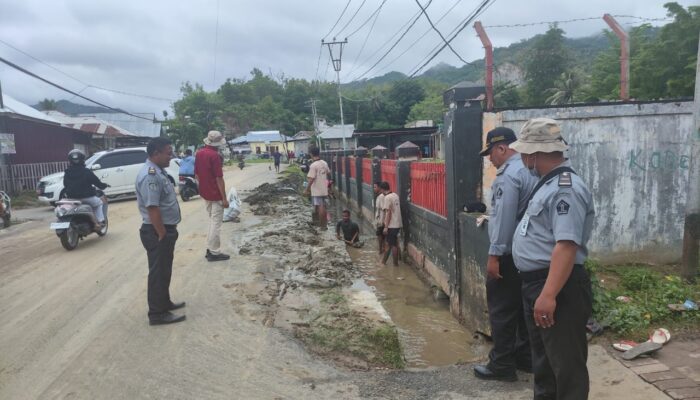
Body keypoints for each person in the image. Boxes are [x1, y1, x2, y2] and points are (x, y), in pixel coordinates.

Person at [510, 118, 594, 400]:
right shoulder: (546, 184)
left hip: (557, 285)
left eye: (523, 153)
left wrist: (548, 295)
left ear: (532, 154)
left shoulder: (564, 188)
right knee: (544, 364)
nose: (522, 158)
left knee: (566, 368)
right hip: (539, 284)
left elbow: (566, 245)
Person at [473, 127, 538, 382]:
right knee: (523, 309)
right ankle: (525, 358)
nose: (490, 159)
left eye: (491, 153)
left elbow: (504, 219)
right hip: (528, 254)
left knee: (501, 309)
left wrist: (494, 255)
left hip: (508, 255)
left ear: (502, 148)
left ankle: (502, 365)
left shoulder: (508, 175)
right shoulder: (531, 169)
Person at [135, 137, 186, 326]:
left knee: (164, 270)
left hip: (163, 230)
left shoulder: (159, 171)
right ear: (155, 153)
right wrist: (162, 233)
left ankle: (164, 303)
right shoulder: (150, 175)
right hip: (157, 231)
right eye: (168, 152)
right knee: (158, 273)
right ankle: (157, 314)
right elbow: (152, 207)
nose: (170, 156)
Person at [195, 131, 231, 262]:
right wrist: (224, 198)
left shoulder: (199, 154)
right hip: (215, 194)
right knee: (216, 223)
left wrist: (203, 188)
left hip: (205, 193)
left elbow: (197, 175)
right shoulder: (215, 156)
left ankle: (210, 248)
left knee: (212, 221)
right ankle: (214, 252)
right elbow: (219, 178)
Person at [63, 149, 108, 225]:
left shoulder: (67, 172)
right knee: (99, 203)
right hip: (87, 198)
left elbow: (65, 184)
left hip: (71, 198)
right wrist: (103, 185)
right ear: (82, 159)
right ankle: (100, 221)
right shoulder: (86, 171)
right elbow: (96, 182)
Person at [304, 147, 330, 230]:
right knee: (322, 206)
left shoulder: (313, 165)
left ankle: (322, 226)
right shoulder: (324, 163)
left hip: (317, 189)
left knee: (320, 207)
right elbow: (328, 173)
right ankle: (321, 223)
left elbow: (311, 179)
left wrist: (307, 189)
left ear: (311, 154)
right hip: (324, 188)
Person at [381, 181, 402, 266]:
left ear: (382, 189)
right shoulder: (395, 195)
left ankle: (394, 264)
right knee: (393, 243)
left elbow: (388, 213)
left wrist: (386, 227)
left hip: (392, 225)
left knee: (392, 245)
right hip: (398, 223)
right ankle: (388, 262)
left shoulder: (387, 198)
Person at [373, 182, 386, 255]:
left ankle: (380, 250)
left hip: (381, 220)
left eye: (375, 187)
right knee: (381, 235)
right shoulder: (380, 196)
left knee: (379, 235)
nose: (374, 188)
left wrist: (382, 221)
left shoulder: (381, 197)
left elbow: (383, 209)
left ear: (379, 188)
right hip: (380, 219)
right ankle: (382, 249)